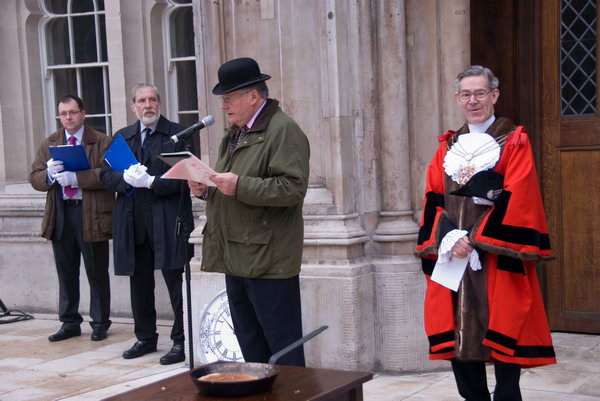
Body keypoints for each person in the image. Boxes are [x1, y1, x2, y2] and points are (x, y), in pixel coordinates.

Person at [416, 65, 556, 401]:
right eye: (466, 94)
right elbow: (433, 198)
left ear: (494, 95)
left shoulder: (514, 141)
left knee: (506, 328)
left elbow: (519, 195)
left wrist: (477, 239)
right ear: (457, 98)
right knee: (456, 332)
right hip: (454, 255)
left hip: (495, 255)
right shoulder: (447, 147)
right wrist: (450, 237)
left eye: (480, 93)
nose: (473, 100)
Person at [188, 57, 310, 366]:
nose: (223, 106)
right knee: (252, 348)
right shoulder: (236, 133)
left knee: (283, 352)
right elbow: (229, 184)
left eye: (228, 99)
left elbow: (292, 188)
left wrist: (240, 186)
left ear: (253, 96)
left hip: (269, 260)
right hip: (238, 254)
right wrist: (205, 188)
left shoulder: (283, 130)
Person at [100, 83, 194, 365]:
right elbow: (104, 175)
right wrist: (125, 179)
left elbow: (186, 180)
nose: (147, 105)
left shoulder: (178, 134)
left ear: (160, 103)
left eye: (152, 99)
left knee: (177, 283)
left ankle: (181, 340)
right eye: (141, 100)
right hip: (133, 223)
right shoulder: (123, 137)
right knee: (139, 285)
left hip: (168, 221)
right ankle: (145, 337)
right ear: (133, 106)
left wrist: (152, 182)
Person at [30, 95, 113, 342]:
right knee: (66, 270)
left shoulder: (100, 141)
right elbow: (34, 177)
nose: (68, 117)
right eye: (63, 113)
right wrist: (49, 175)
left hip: (91, 213)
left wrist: (78, 179)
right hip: (61, 212)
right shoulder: (51, 143)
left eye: (72, 112)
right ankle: (69, 322)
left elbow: (109, 174)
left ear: (83, 113)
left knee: (96, 270)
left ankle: (100, 322)